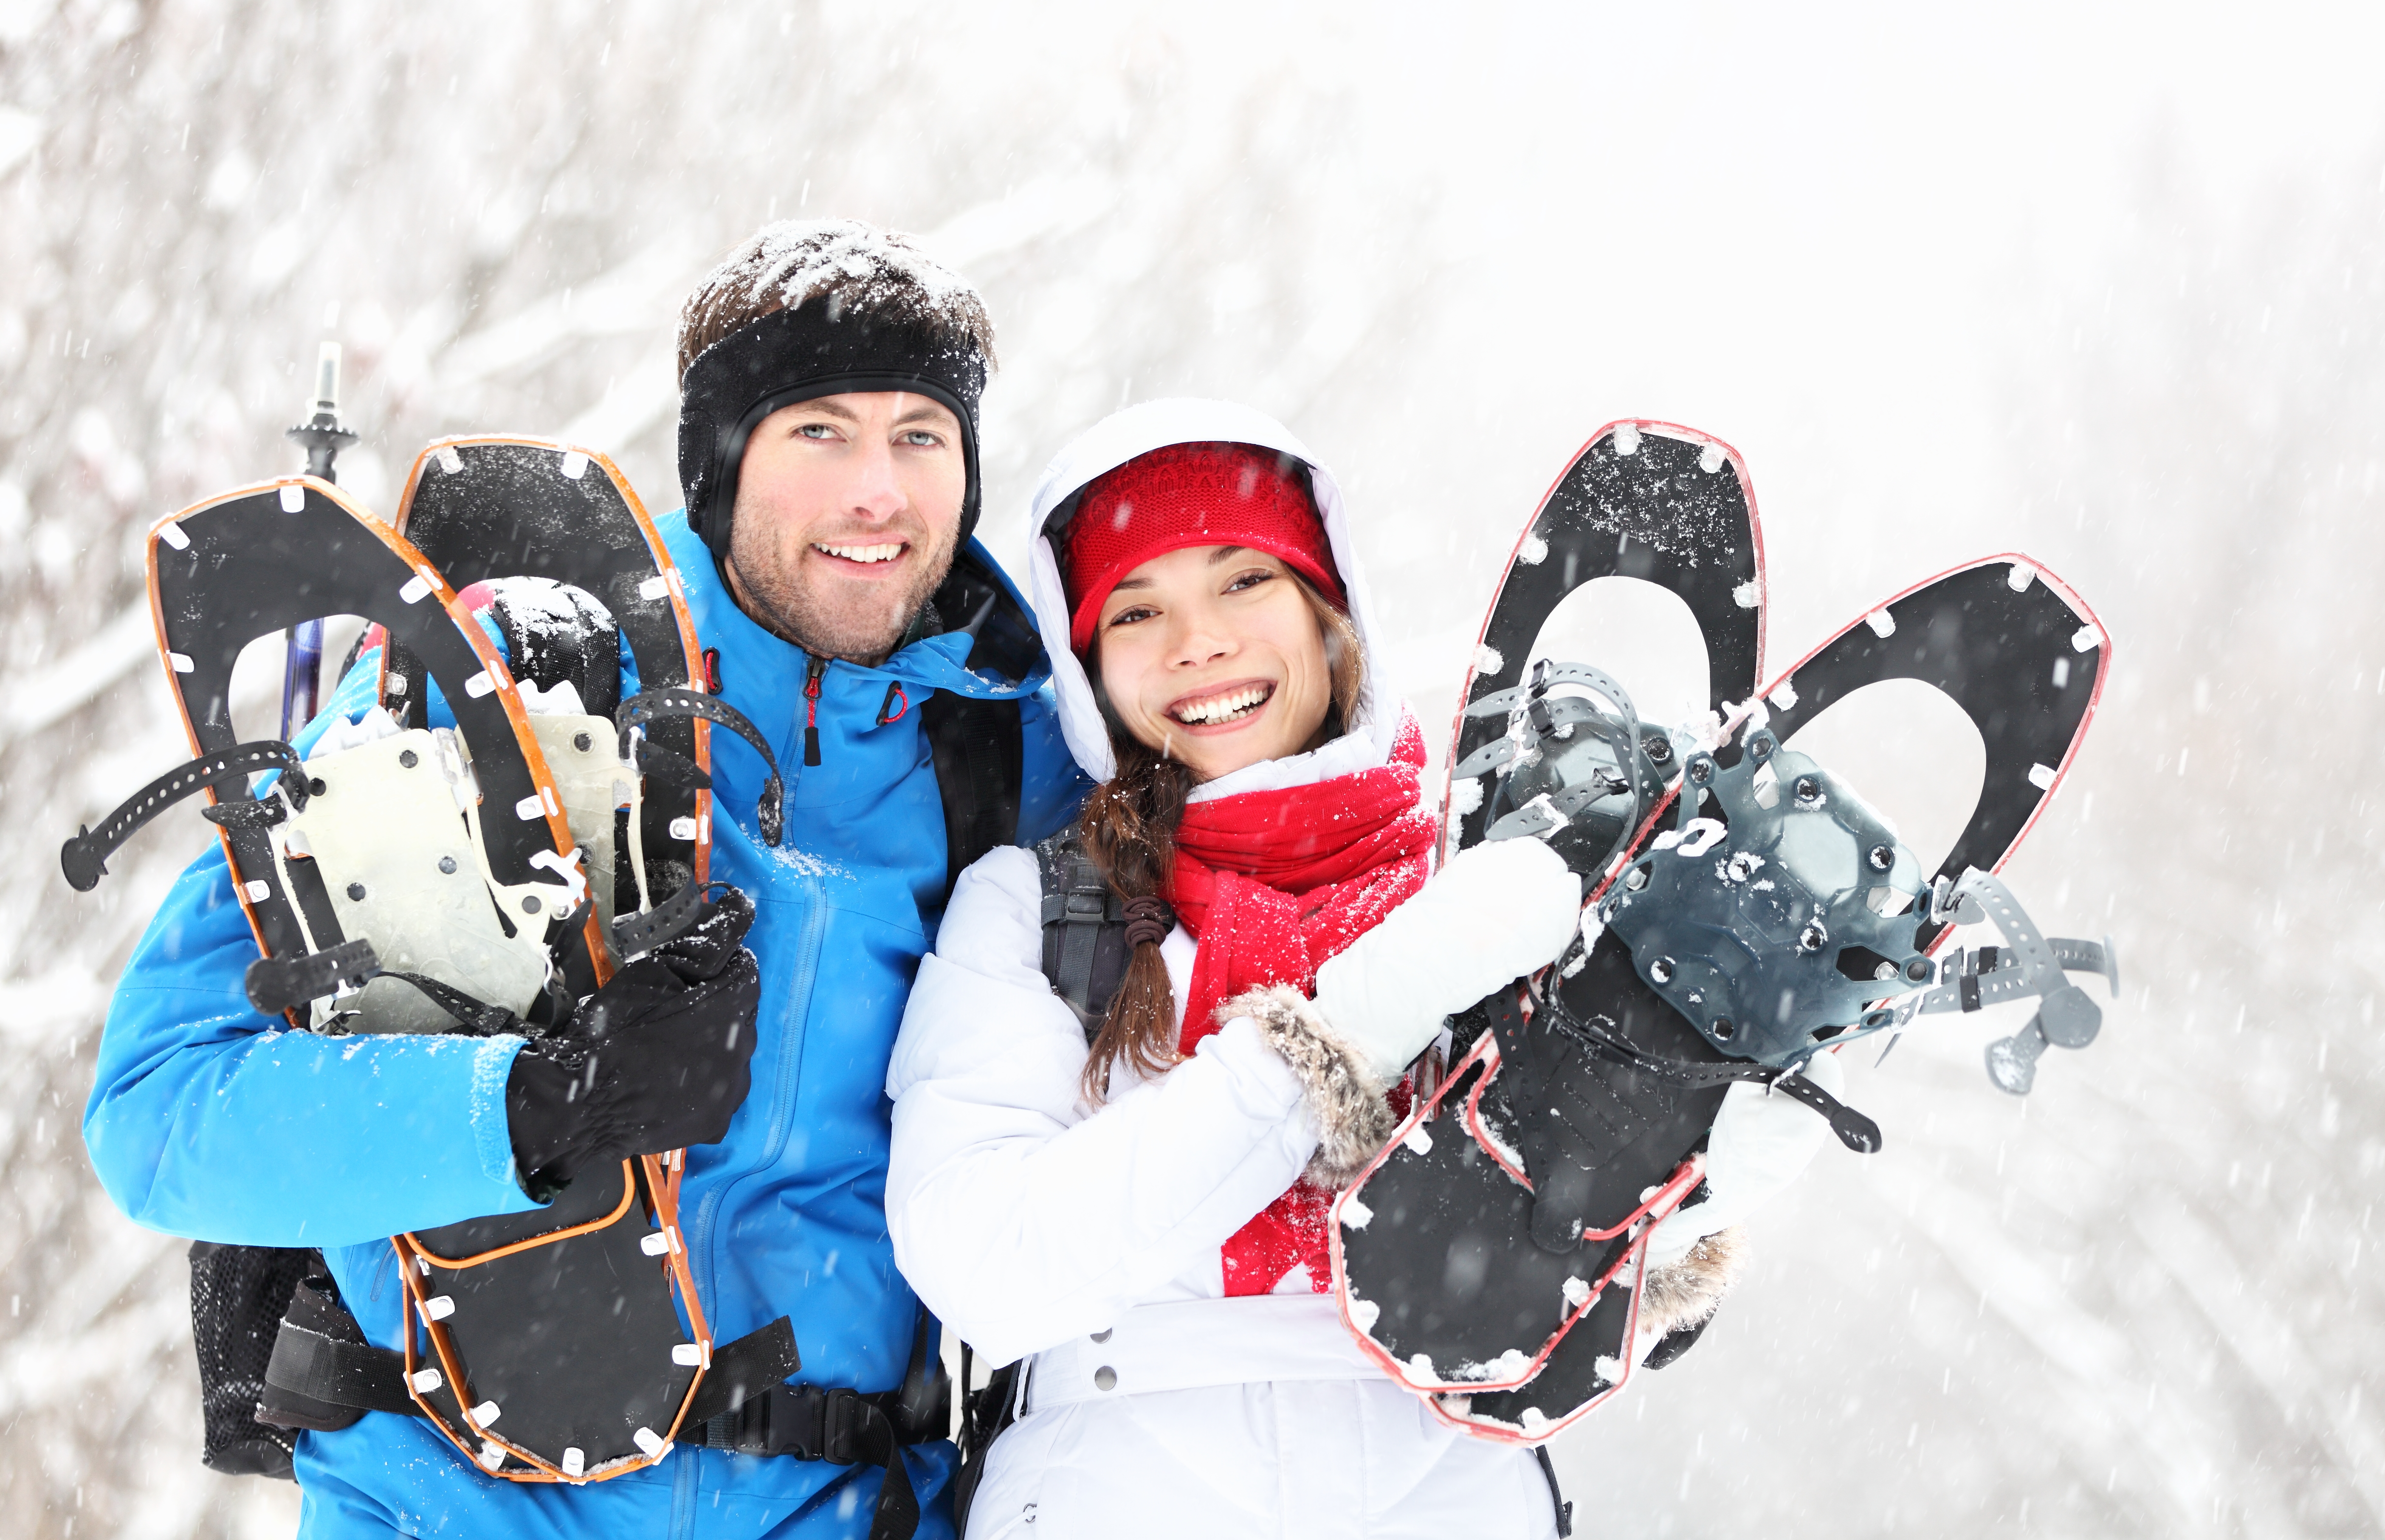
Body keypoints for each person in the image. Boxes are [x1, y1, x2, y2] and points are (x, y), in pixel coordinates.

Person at [82, 219, 1086, 1538]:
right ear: (720, 465)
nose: (878, 494)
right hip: (449, 1497)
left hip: (838, 1503)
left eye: (921, 436)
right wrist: (533, 1110)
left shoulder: (1014, 754)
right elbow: (159, 1116)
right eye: (820, 433)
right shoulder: (496, 691)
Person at [884, 399, 1843, 1538]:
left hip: (1453, 1475)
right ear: (1089, 666)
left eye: (1245, 582)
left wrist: (1691, 1197)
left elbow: (1557, 1289)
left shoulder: (1492, 877)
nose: (1200, 642)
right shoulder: (1046, 909)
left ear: (1330, 610)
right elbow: (986, 1263)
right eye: (1137, 610)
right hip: (1117, 1473)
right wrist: (1344, 1032)